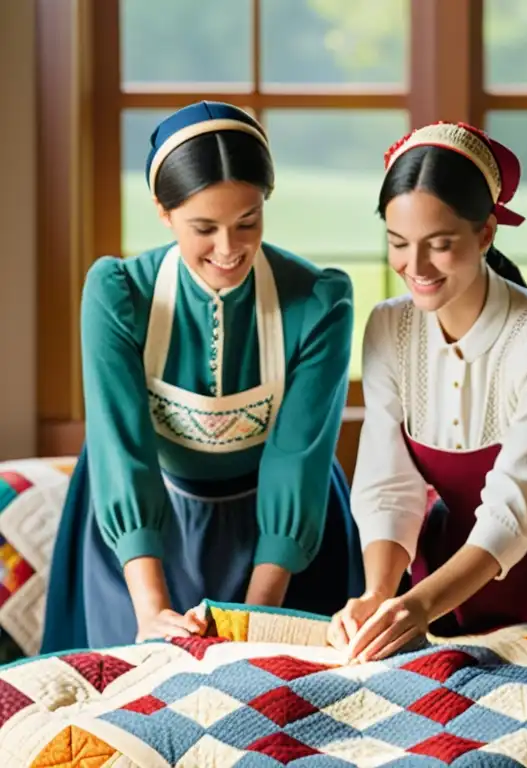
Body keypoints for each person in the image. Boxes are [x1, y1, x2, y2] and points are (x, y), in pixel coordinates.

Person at [42, 101, 365, 651]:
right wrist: (152, 610)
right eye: (203, 227)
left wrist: (255, 621)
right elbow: (122, 449)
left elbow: (297, 459)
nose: (229, 248)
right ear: (163, 213)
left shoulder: (318, 302)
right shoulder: (119, 296)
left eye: (248, 222)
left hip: (285, 531)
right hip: (143, 533)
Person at [328, 121, 527, 663]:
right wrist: (378, 594)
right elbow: (389, 482)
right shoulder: (388, 327)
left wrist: (416, 605)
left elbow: (513, 508)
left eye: (439, 245)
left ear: (485, 234)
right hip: (444, 565)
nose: (414, 268)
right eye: (398, 244)